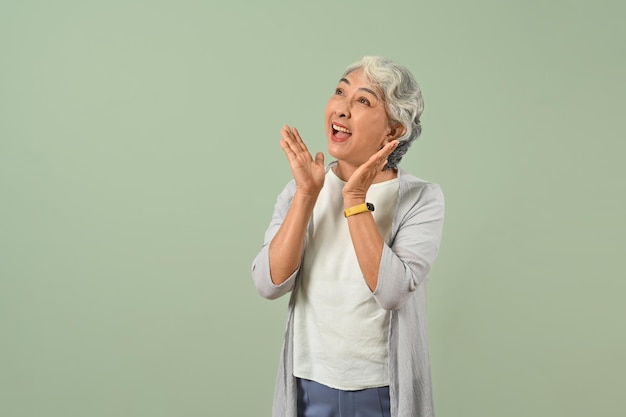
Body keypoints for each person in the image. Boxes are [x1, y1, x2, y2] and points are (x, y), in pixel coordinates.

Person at [251, 56, 445, 417]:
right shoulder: (301, 190)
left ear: (393, 130)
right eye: (340, 91)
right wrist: (307, 196)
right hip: (307, 384)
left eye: (363, 101)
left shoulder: (422, 199)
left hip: (383, 391)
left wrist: (355, 200)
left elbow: (392, 291)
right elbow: (268, 283)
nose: (342, 108)